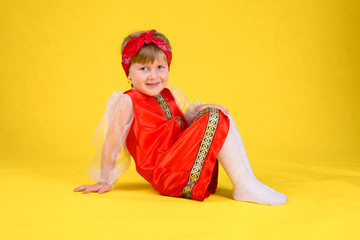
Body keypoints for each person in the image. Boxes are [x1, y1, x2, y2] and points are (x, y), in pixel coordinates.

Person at [74, 29, 288, 205]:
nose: (153, 76)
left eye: (160, 67)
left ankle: (247, 182)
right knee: (214, 117)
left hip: (180, 160)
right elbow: (113, 140)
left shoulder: (171, 94)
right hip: (166, 172)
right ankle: (245, 185)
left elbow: (187, 117)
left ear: (168, 67)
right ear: (128, 73)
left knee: (218, 114)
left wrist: (204, 107)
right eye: (143, 68)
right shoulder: (127, 101)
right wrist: (105, 179)